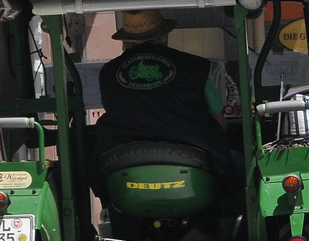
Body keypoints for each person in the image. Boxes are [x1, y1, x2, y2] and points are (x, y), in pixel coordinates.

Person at [97, 10, 233, 166]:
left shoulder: (108, 72)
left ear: (126, 41)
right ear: (164, 36)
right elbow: (218, 117)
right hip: (192, 156)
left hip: (121, 159)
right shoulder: (193, 66)